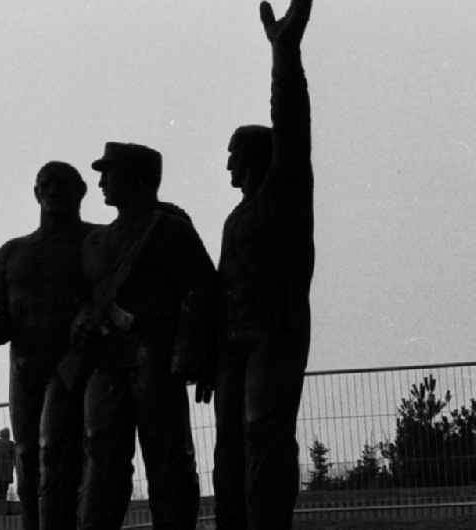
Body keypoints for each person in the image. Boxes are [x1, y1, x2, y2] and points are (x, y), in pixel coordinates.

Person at [74, 142, 217, 530]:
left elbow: (203, 291)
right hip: (106, 365)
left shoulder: (171, 232)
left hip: (155, 360)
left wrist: (192, 354)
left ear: (138, 179)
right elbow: (84, 300)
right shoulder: (95, 243)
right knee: (102, 462)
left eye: (109, 172)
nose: (100, 182)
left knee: (168, 461)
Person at [212, 1, 315, 529]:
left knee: (263, 437)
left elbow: (291, 119)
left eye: (233, 152)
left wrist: (284, 52)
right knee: (229, 449)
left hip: (275, 337)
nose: (226, 162)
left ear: (255, 156)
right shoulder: (236, 218)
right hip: (234, 345)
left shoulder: (285, 191)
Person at [0, 161, 99, 530]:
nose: (53, 191)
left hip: (82, 370)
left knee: (81, 455)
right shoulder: (12, 253)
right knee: (28, 456)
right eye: (46, 185)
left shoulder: (97, 242)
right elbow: (1, 320)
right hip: (27, 371)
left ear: (80, 193)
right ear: (36, 193)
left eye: (62, 185)